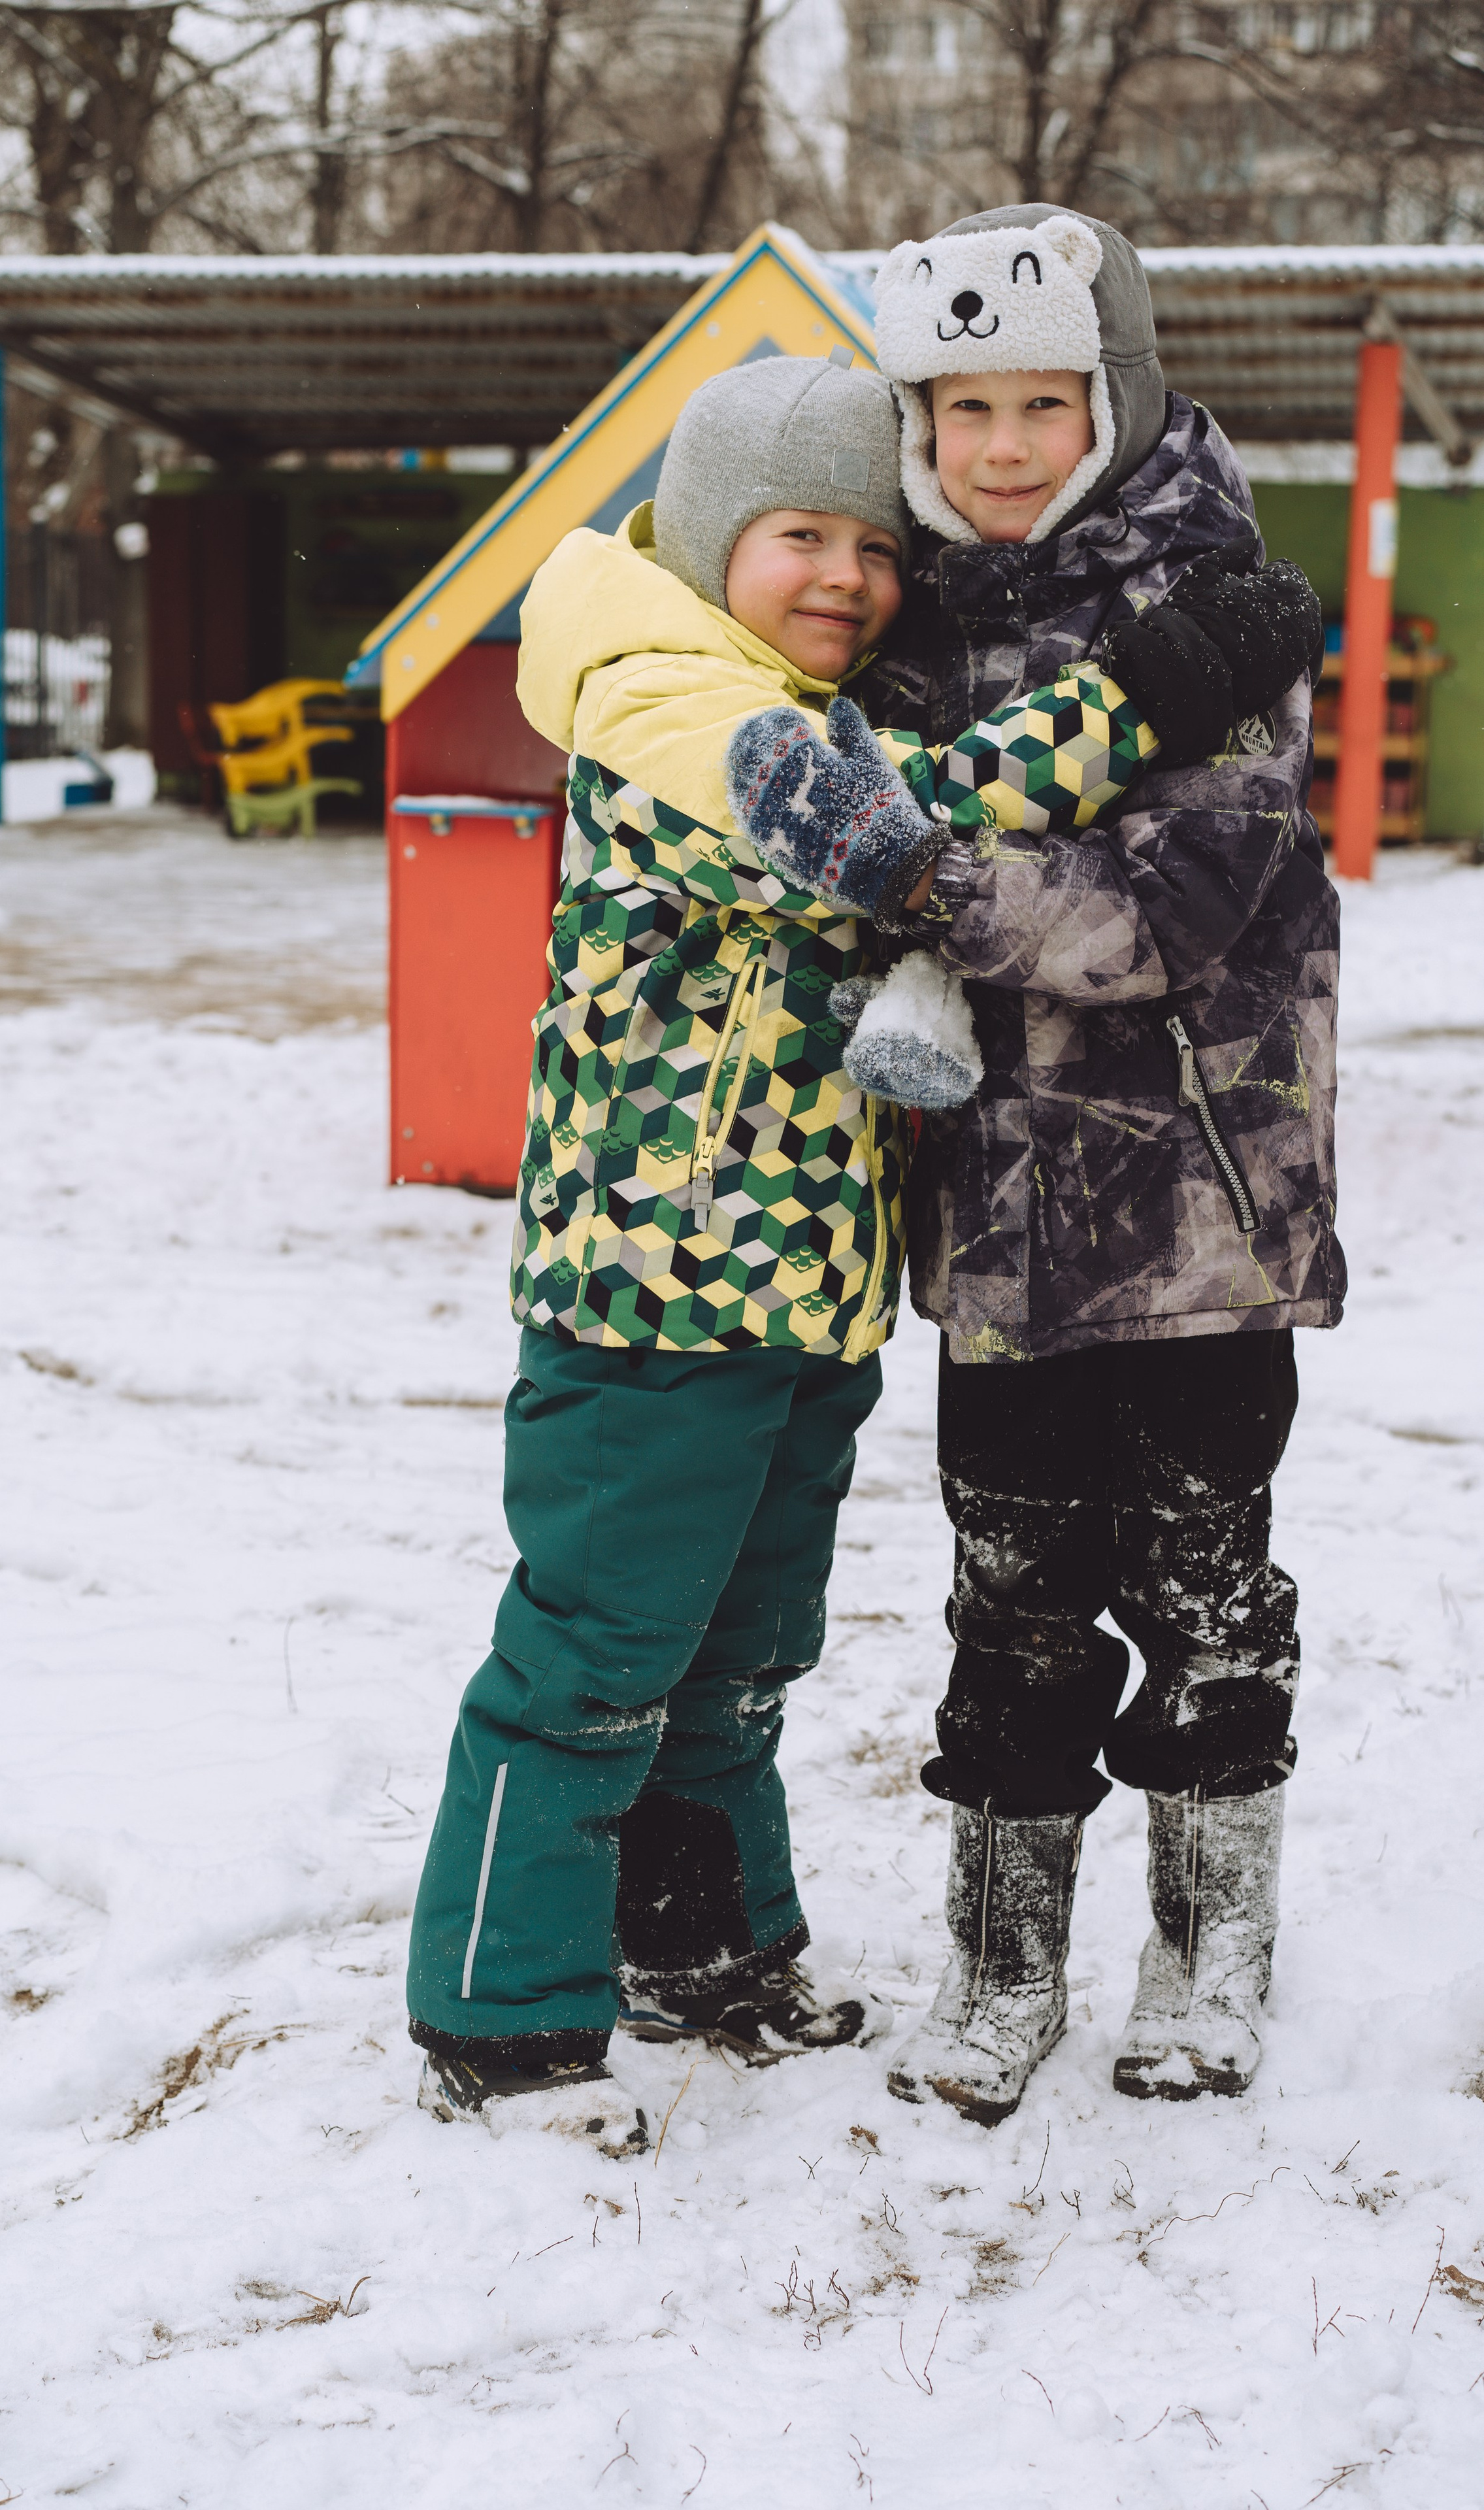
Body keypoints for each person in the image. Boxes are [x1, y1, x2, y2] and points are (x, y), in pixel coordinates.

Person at [406, 342, 1323, 2160]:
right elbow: (916, 820)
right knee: (594, 1655)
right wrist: (1141, 690)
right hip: (655, 1295)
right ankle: (500, 2023)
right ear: (705, 538)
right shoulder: (680, 705)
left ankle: (709, 1948)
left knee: (739, 1656)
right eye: (798, 536)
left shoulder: (769, 679)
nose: (847, 575)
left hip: (795, 1300)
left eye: (870, 545)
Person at [727, 208, 1342, 2126]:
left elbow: (1160, 920)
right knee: (1008, 1600)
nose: (999, 445)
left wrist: (915, 872)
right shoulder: (905, 622)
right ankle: (1001, 1962)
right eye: (962, 405)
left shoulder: (1216, 617)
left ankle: (1211, 1941)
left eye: (1042, 402)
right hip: (994, 1230)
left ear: (1115, 393)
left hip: (1202, 1218)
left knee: (1206, 1585)